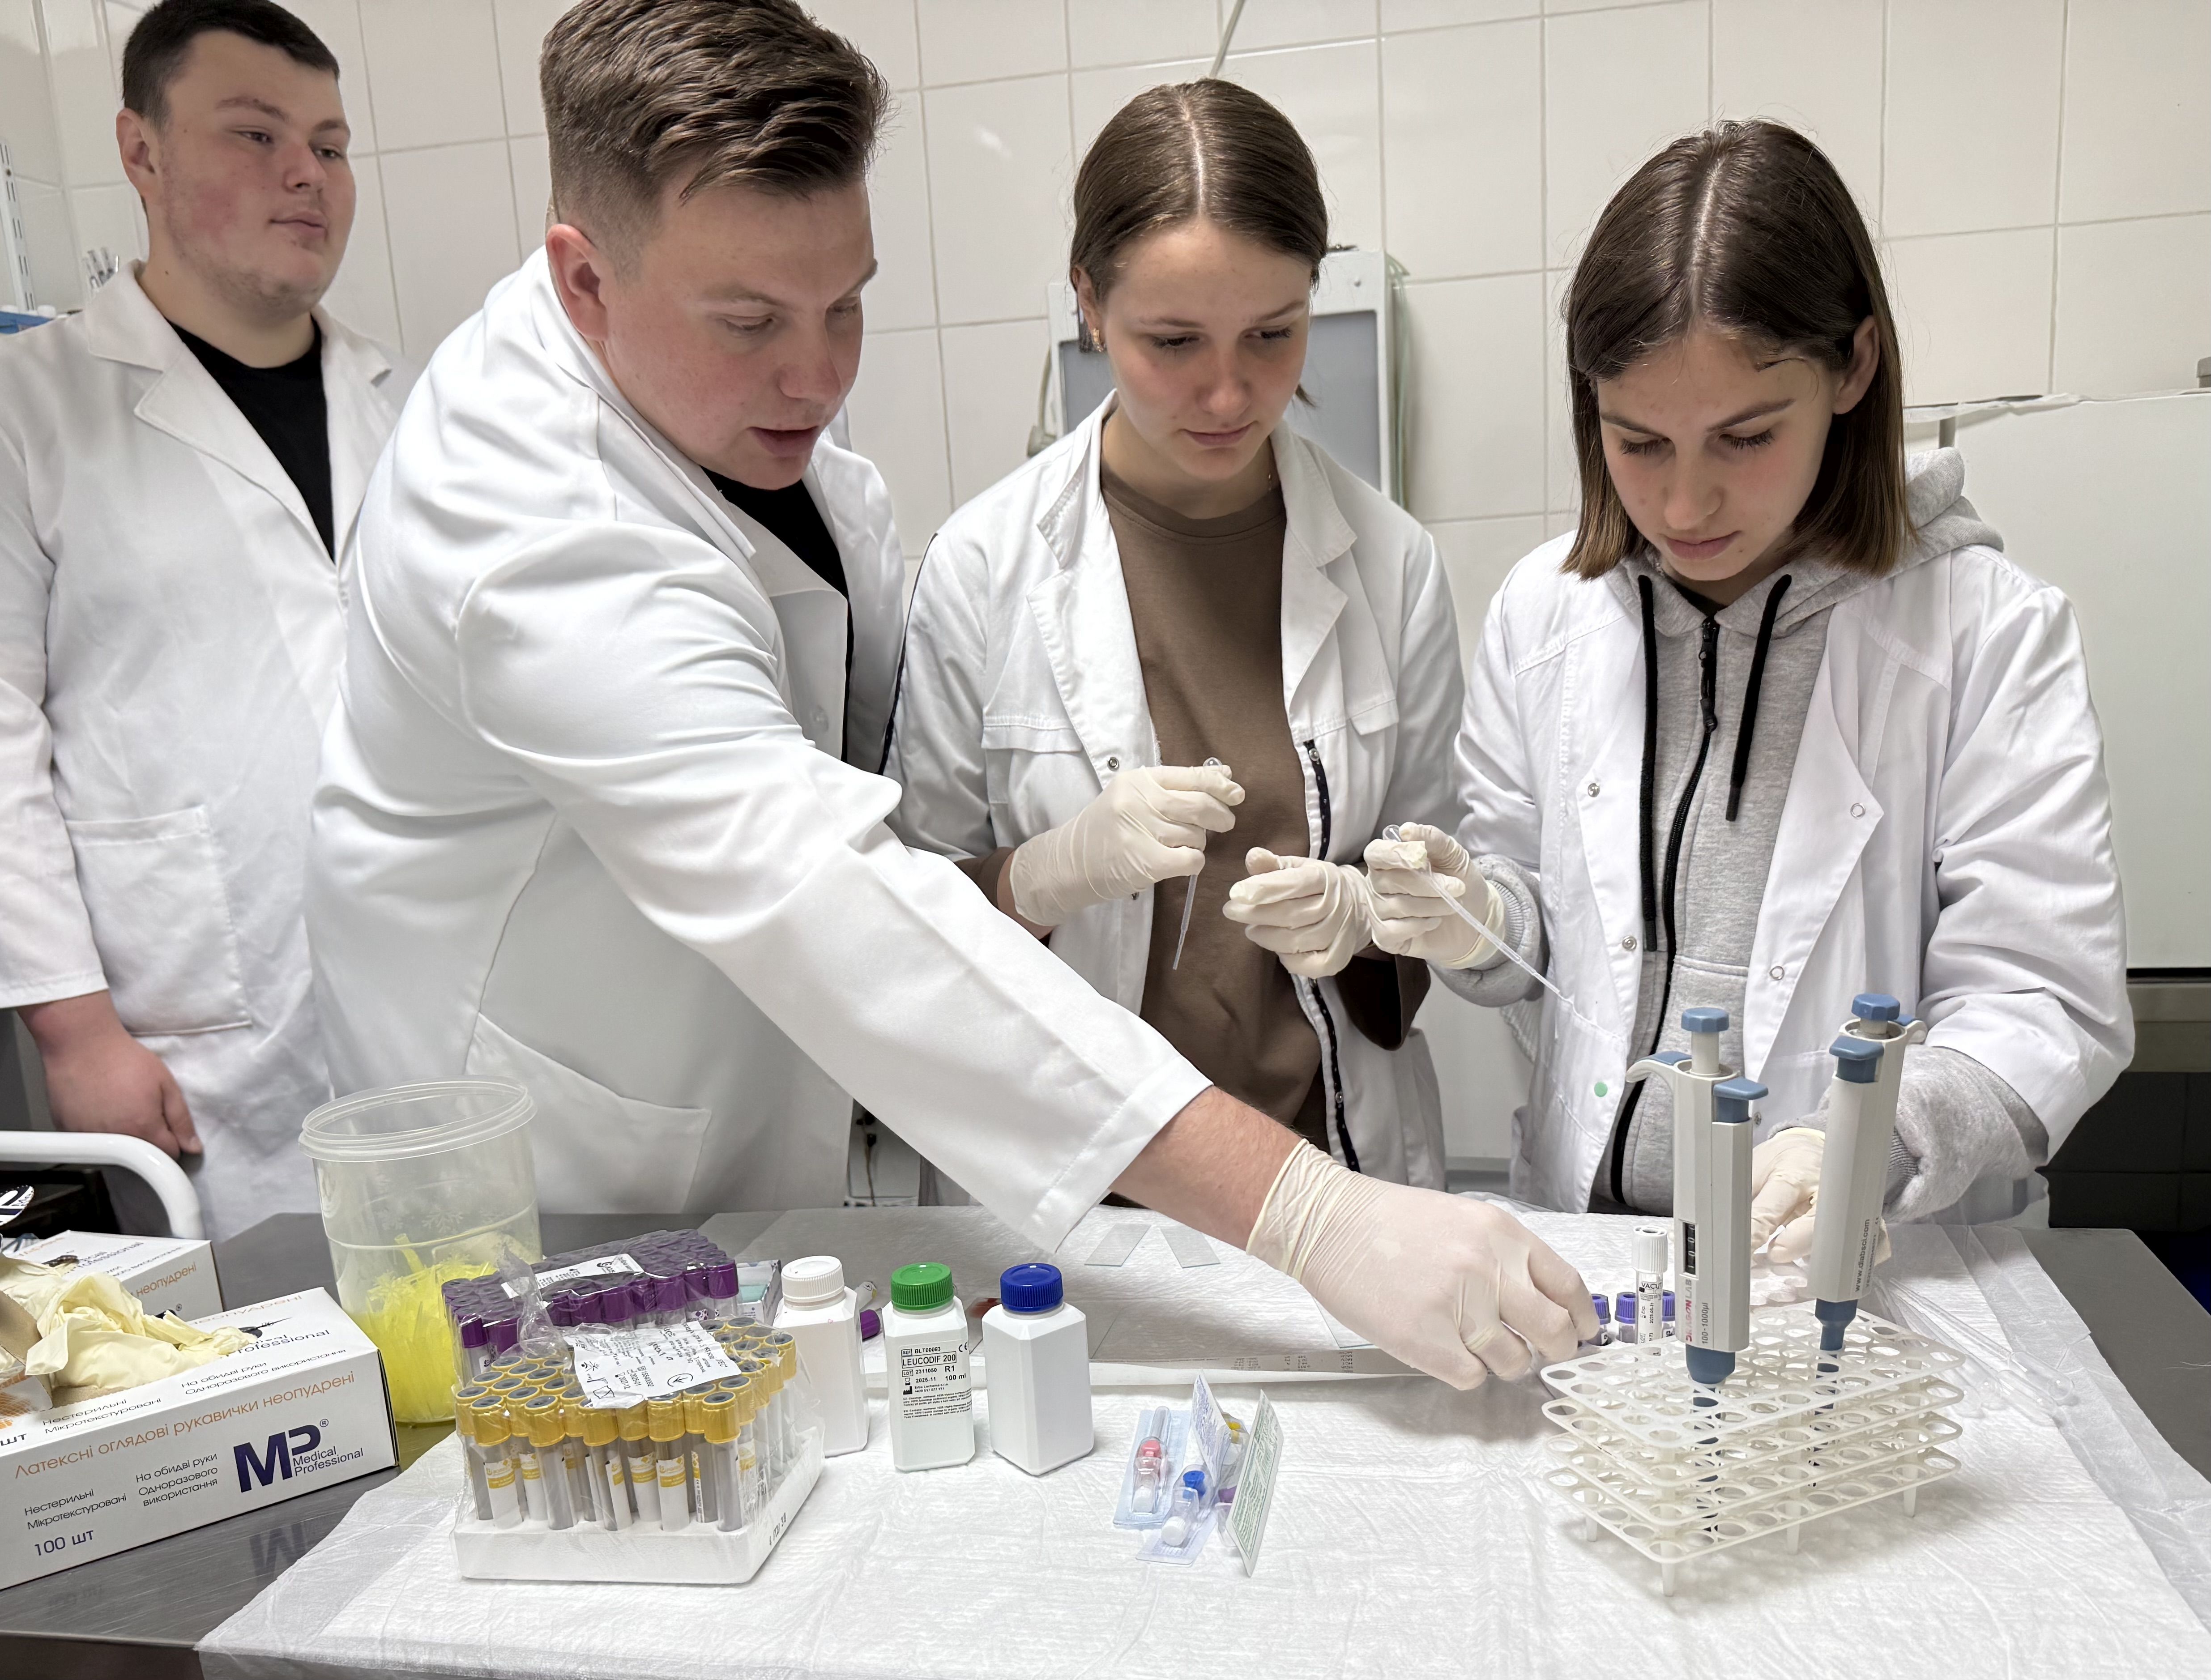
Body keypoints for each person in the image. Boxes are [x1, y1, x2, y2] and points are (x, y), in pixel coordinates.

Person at [305, 0, 1594, 1390]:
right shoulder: (526, 528)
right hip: (557, 1186)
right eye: (749, 322)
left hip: (760, 1150)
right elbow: (830, 890)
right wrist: (1308, 1213)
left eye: (846, 303)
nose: (819, 375)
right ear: (583, 281)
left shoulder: (738, 432)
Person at [1379, 121, 2129, 1249]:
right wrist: (1477, 918)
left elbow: (2043, 997)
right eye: (1638, 442)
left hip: (1868, 1259)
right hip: (1598, 1246)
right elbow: (1537, 936)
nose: (1684, 506)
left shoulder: (1985, 632)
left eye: (1744, 436)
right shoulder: (1545, 615)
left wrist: (1873, 1138)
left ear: (1853, 367)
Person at [0, 0, 408, 1239]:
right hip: (192, 1023)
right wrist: (74, 1030)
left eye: (329, 146)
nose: (305, 174)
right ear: (141, 151)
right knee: (250, 1331)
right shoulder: (8, 409)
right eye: (255, 134)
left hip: (423, 983)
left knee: (459, 1310)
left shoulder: (406, 404)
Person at [886, 81, 1461, 1190]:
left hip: (1330, 1172)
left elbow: (1448, 903)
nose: (1229, 392)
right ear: (1089, 304)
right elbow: (910, 931)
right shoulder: (982, 566)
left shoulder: (1391, 565)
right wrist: (1043, 874)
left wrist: (1370, 915)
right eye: (1173, 341)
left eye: (1273, 334)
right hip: (1077, 1186)